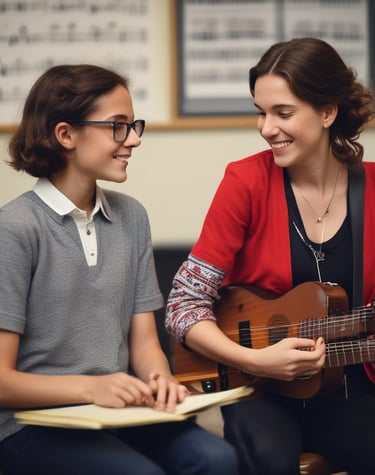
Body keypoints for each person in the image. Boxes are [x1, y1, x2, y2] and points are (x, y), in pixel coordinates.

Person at [0, 64, 240, 475]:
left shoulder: (131, 218)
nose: (134, 139)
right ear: (66, 134)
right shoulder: (16, 228)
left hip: (117, 412)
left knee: (216, 458)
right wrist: (93, 386)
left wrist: (159, 377)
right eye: (118, 126)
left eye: (134, 125)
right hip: (30, 424)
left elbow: (145, 343)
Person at [166, 37, 375, 475]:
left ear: (327, 111)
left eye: (283, 113)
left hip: (353, 388)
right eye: (261, 112)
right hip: (259, 392)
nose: (266, 128)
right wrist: (254, 361)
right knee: (268, 462)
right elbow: (183, 306)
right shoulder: (244, 182)